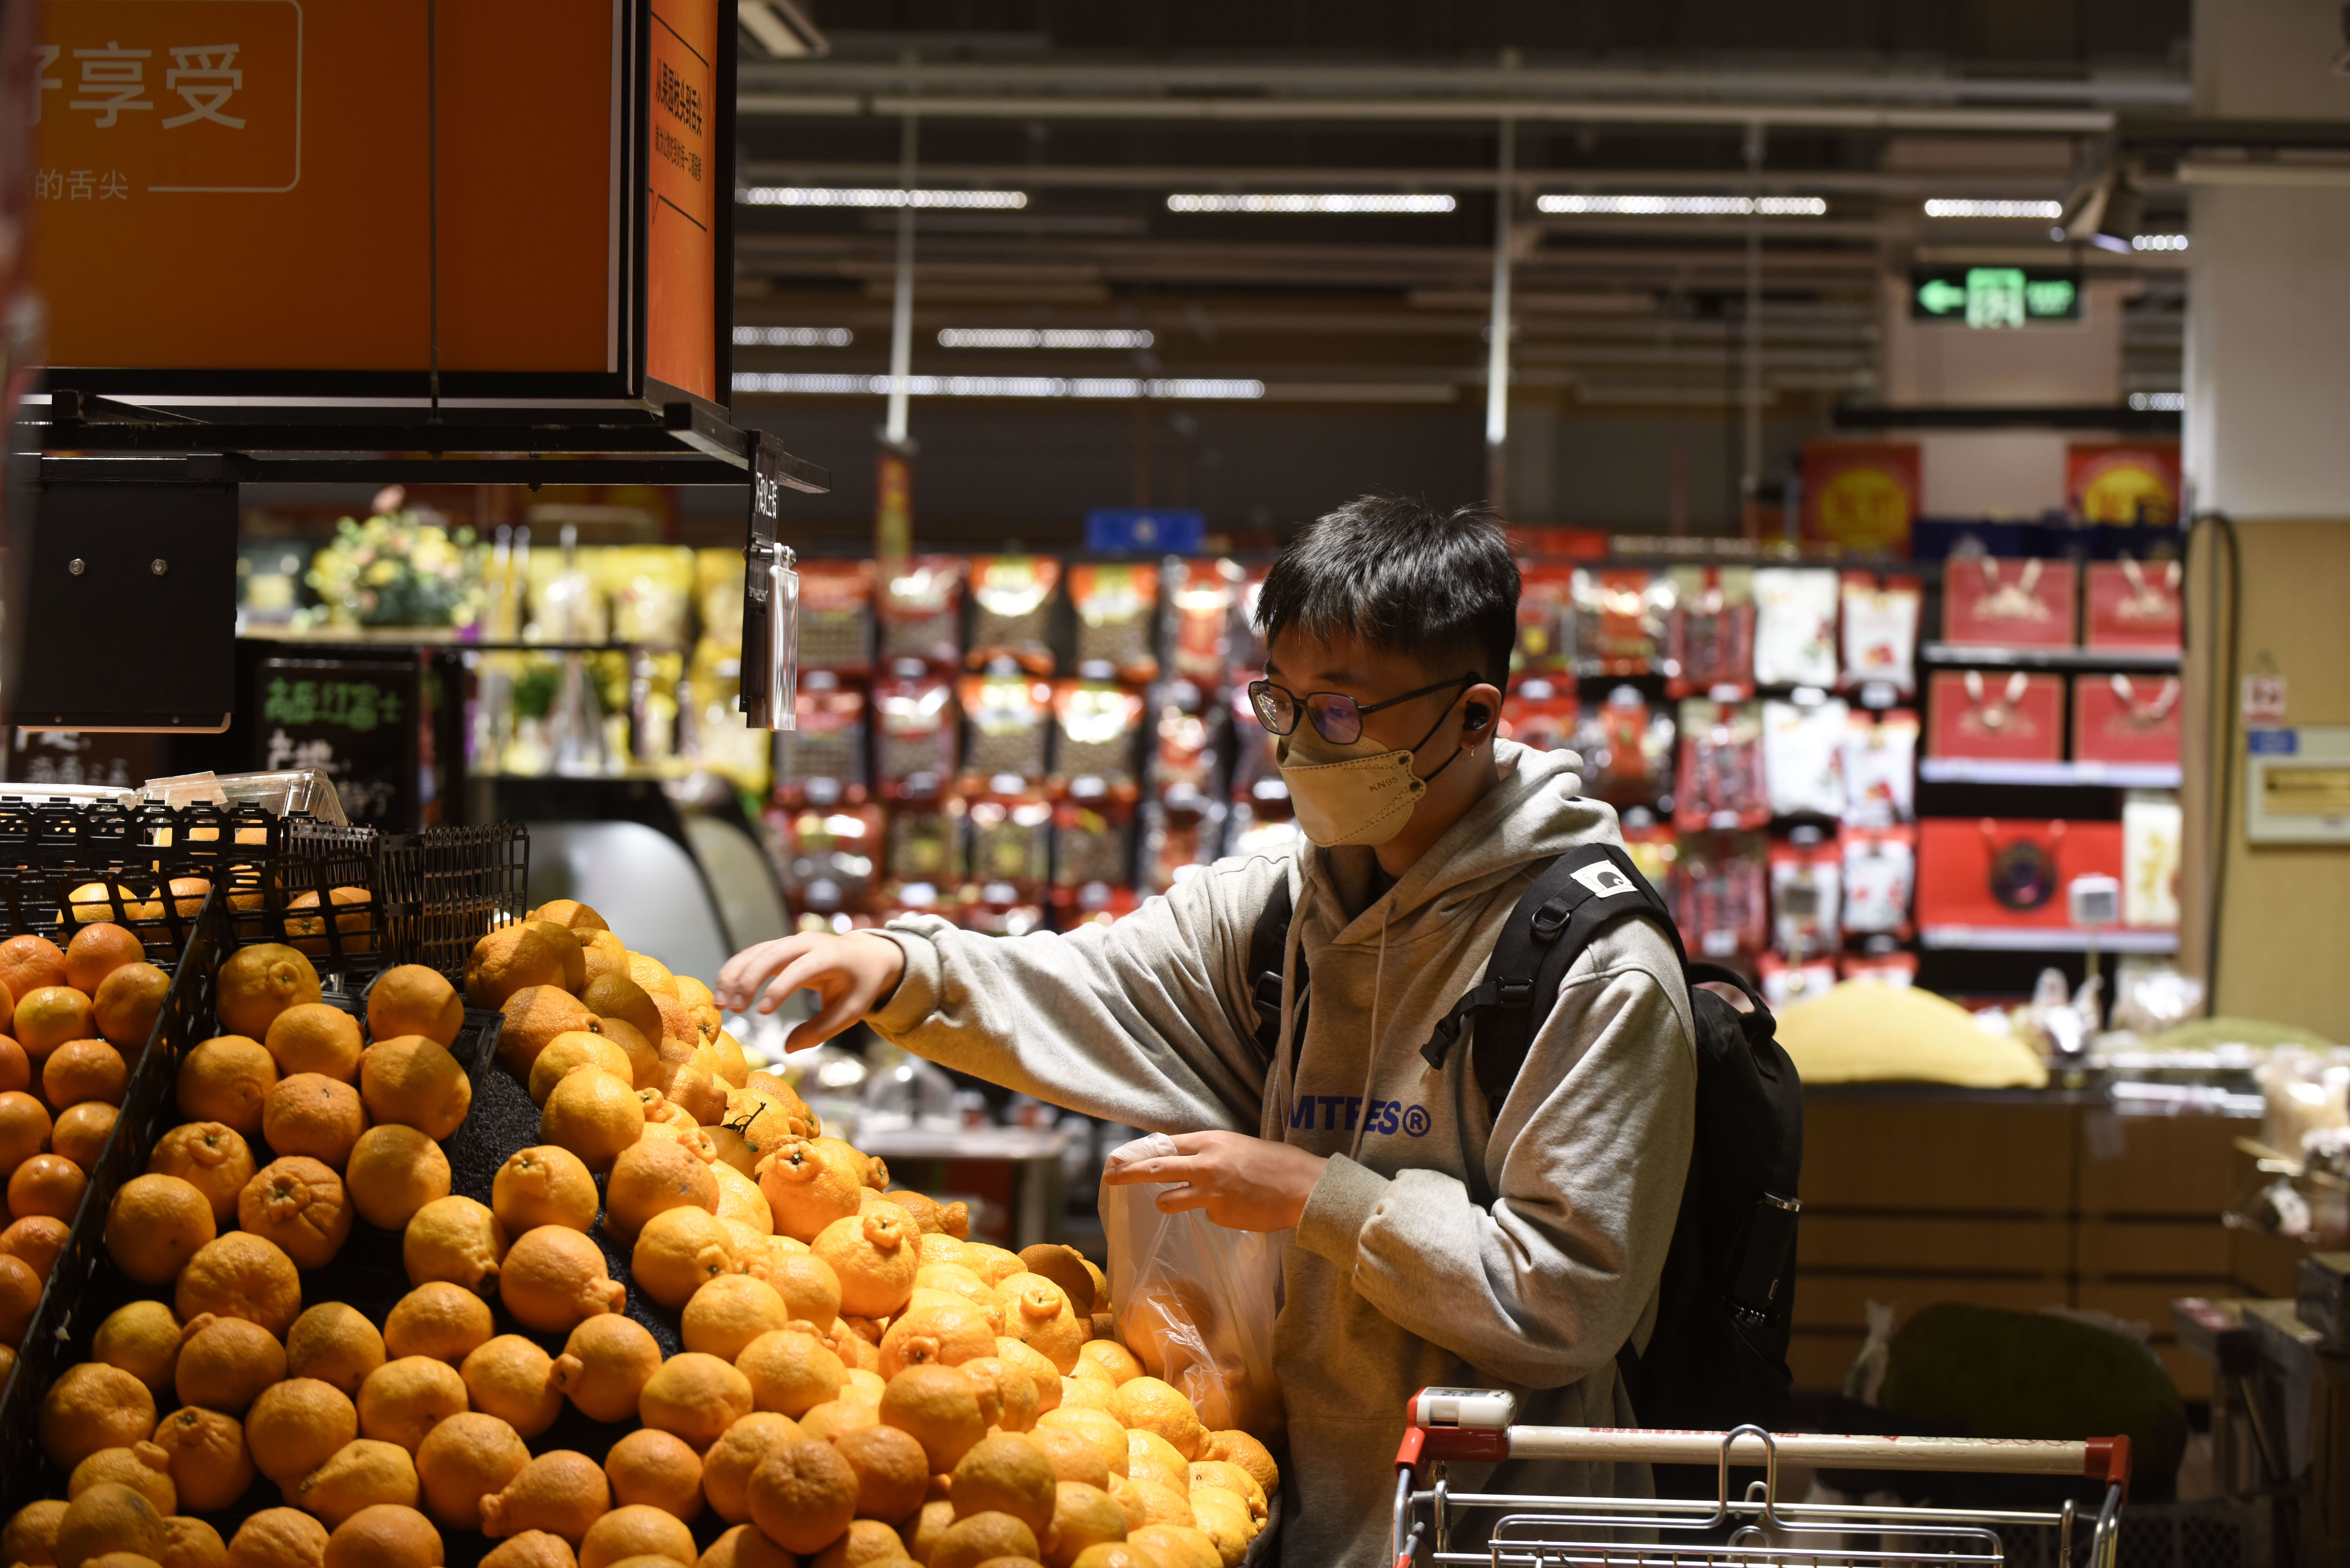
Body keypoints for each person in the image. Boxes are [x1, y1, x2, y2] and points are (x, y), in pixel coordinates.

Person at [716, 496, 1696, 1568]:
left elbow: (1566, 1298)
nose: (1297, 748)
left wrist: (1314, 1195)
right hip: (1277, 1517)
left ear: (1471, 715)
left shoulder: (1598, 970)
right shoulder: (1280, 907)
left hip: (1502, 1537)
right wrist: (907, 967)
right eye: (1280, 703)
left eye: (1340, 713)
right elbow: (1093, 986)